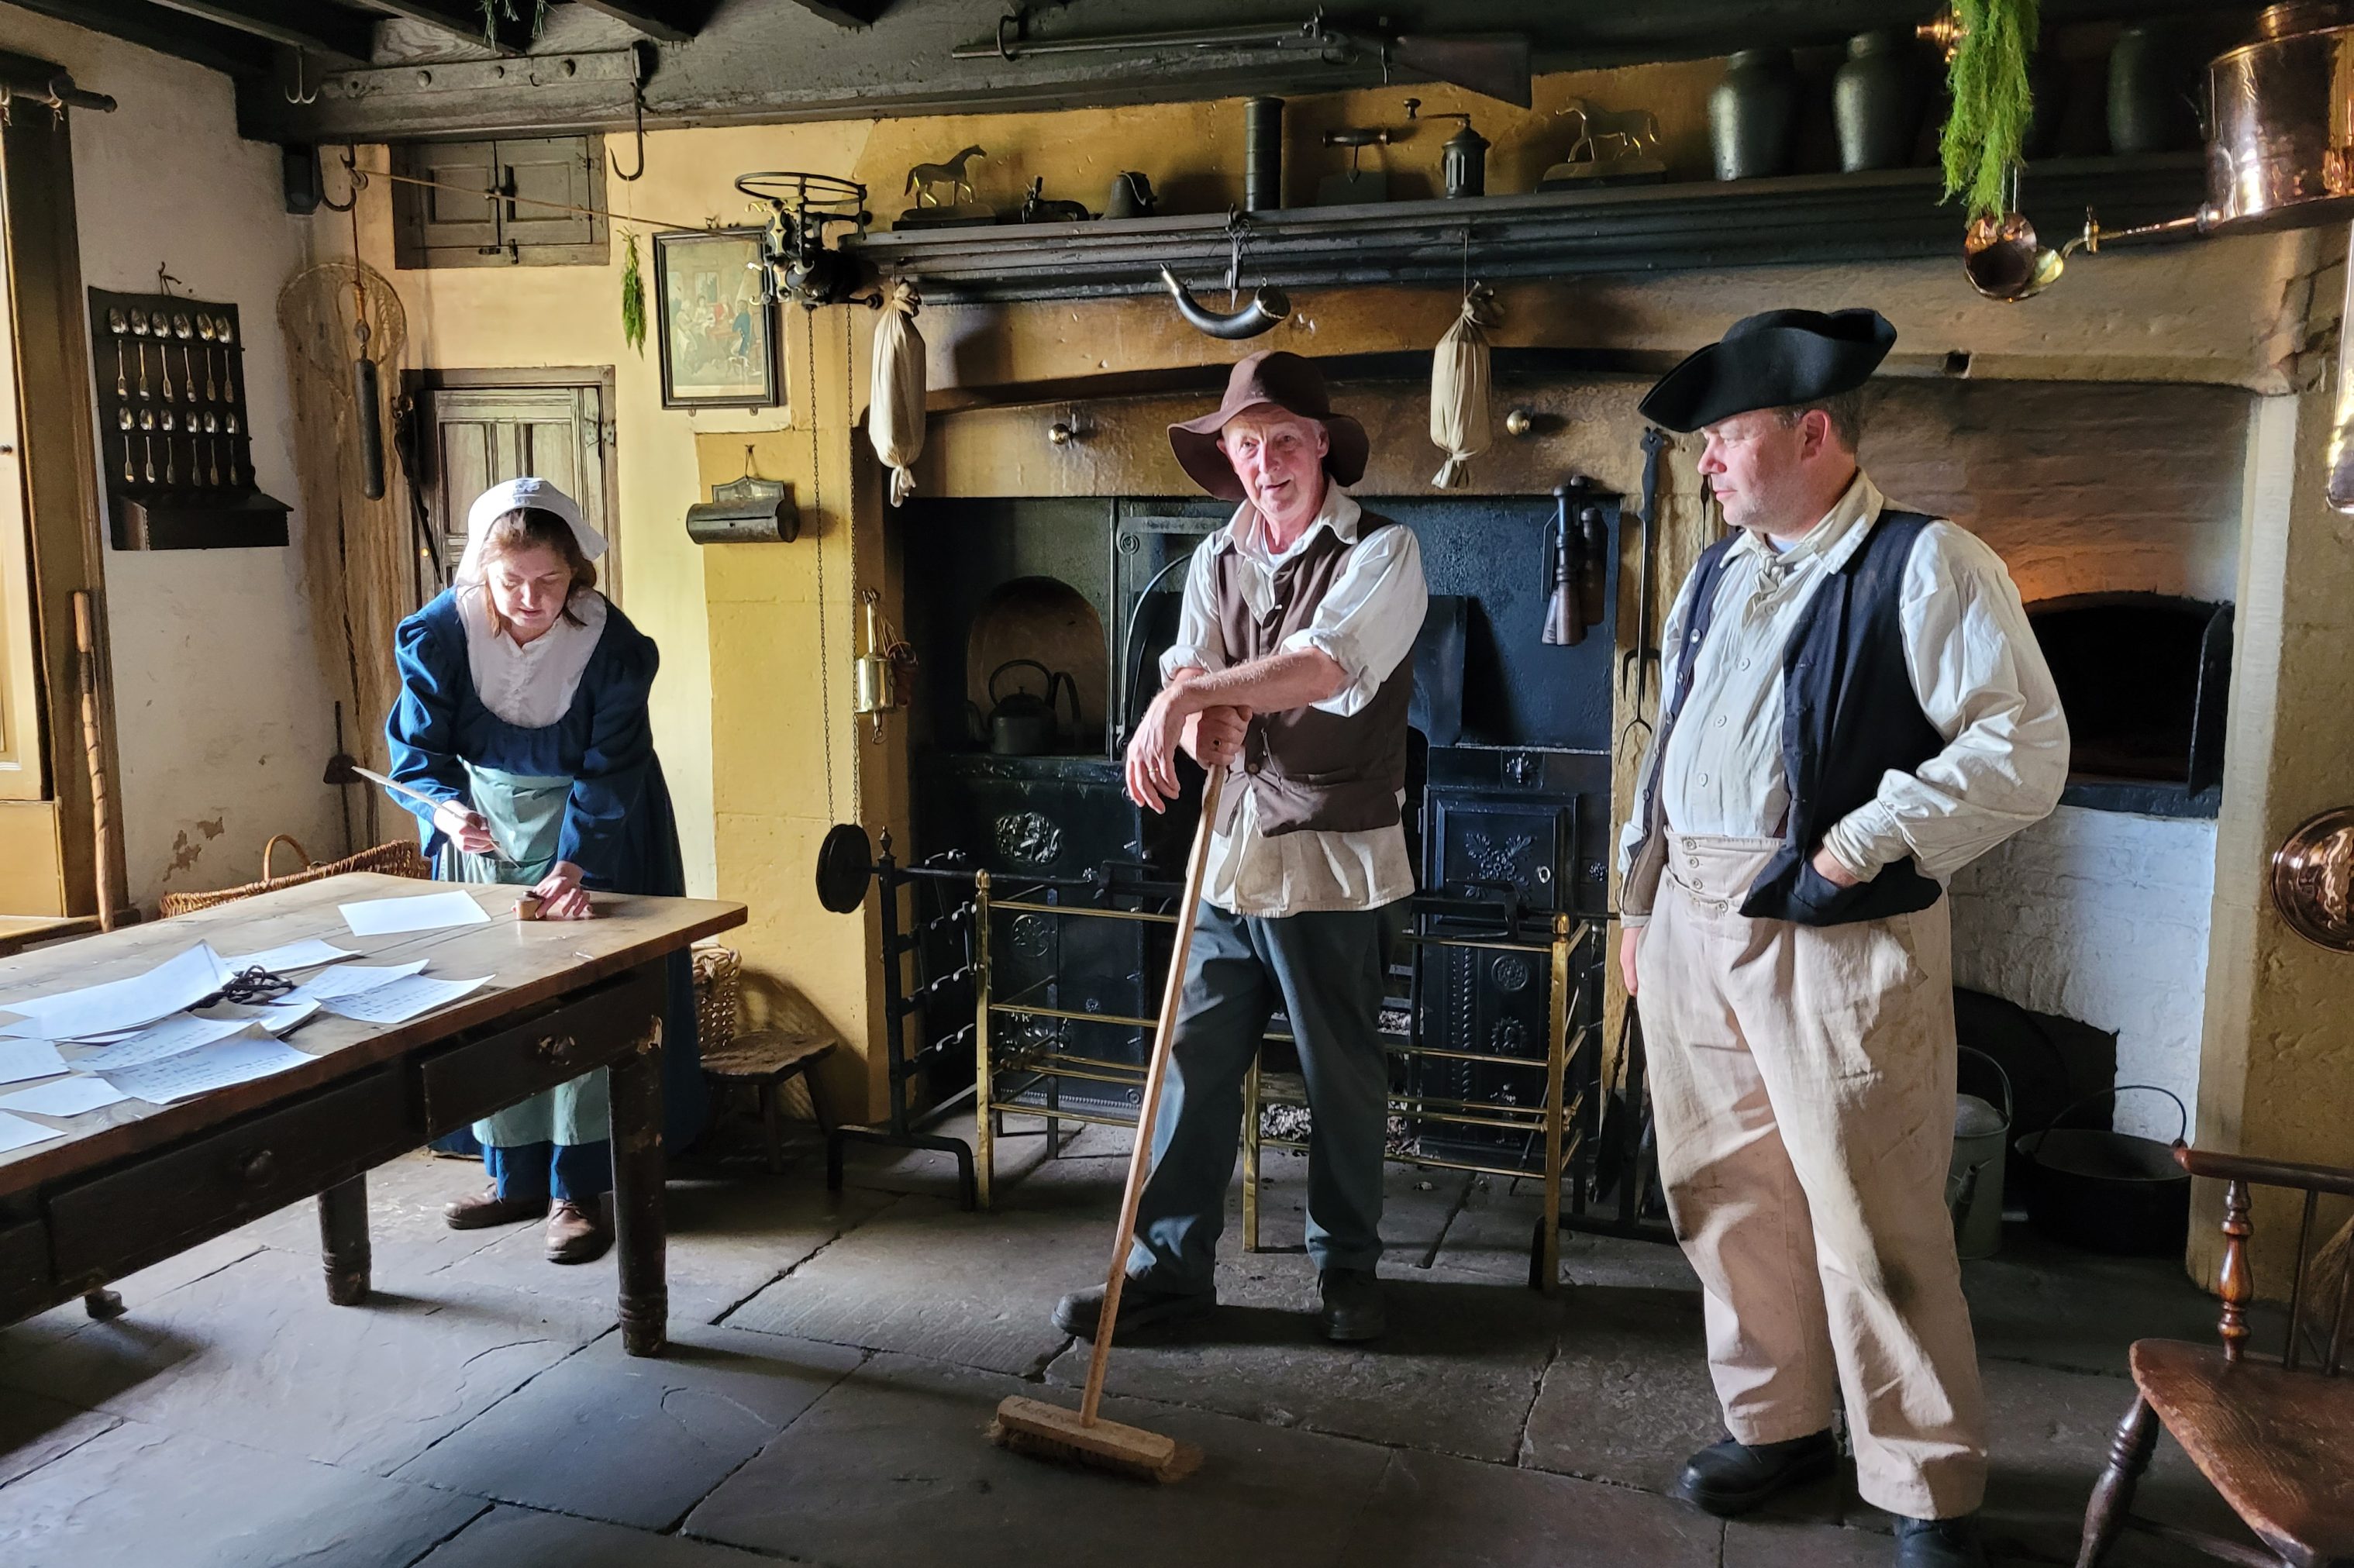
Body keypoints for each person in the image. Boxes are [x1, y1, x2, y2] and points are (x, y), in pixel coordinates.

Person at [1617, 309, 2069, 1568]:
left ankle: (1925, 1483)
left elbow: (2024, 750)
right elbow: (1669, 742)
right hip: (1697, 919)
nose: (1706, 460)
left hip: (1834, 929)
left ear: (1812, 431)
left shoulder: (1929, 564)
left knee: (1872, 1209)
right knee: (1721, 1189)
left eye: (1726, 436)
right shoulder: (1717, 569)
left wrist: (1851, 844)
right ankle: (1778, 1425)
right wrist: (1639, 898)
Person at [1051, 350, 1428, 1345]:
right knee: (1190, 1062)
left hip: (1332, 862)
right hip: (1228, 859)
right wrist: (1188, 722)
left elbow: (1322, 666)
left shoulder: (1382, 554)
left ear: (1322, 450)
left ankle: (1347, 1271)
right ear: (1229, 459)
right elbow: (1191, 670)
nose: (1267, 464)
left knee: (1339, 1078)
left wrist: (1190, 698)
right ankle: (1168, 1272)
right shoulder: (1218, 557)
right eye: (1247, 445)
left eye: (1285, 442)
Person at [386, 477, 707, 1264]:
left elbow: (613, 766)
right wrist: (442, 808)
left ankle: (577, 1186)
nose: (530, 598)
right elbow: (418, 755)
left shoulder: (616, 650)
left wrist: (580, 860)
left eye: (549, 581)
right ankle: (514, 1175)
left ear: (577, 576)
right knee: (494, 1003)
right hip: (485, 837)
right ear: (482, 574)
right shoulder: (438, 635)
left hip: (594, 832)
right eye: (511, 582)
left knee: (584, 1003)